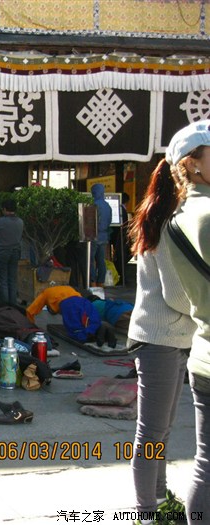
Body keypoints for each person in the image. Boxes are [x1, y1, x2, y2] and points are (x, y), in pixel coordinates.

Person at [124, 146, 196, 523]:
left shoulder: (162, 221)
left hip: (170, 338)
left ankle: (158, 498)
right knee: (152, 432)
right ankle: (146, 511)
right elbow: (177, 295)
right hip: (159, 339)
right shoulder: (169, 226)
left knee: (160, 431)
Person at [161, 119, 210, 523]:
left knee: (205, 465)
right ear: (193, 164)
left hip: (202, 352)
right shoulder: (205, 214)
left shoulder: (179, 216)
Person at [25, 285, 116, 347]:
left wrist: (31, 327)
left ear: (50, 307)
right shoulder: (66, 288)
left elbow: (30, 311)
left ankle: (90, 335)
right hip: (83, 301)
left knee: (76, 330)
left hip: (69, 304)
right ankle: (102, 330)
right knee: (91, 320)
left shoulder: (45, 293)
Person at [0, 198, 24, 305]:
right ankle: (12, 305)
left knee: (2, 280)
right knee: (12, 279)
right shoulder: (20, 221)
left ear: (4, 209)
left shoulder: (0, 221)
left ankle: (4, 305)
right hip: (15, 252)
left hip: (2, 252)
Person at [90, 183, 112, 287]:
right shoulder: (107, 206)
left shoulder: (93, 205)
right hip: (104, 236)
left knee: (90, 260)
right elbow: (109, 221)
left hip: (93, 236)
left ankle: (92, 282)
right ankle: (101, 282)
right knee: (101, 261)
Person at [111, 192, 131, 280]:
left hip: (116, 235)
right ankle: (121, 276)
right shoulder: (122, 209)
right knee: (121, 256)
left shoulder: (118, 208)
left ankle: (120, 275)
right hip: (119, 236)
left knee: (120, 256)